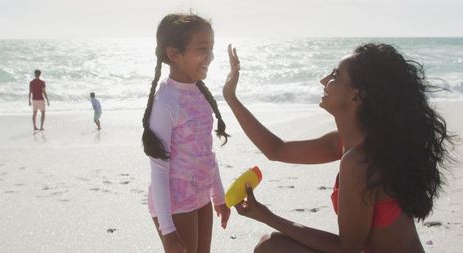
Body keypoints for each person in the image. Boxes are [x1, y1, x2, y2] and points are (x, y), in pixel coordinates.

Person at [222, 43, 454, 253]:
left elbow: (346, 249)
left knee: (270, 248)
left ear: (356, 96)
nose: (324, 81)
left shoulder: (360, 161)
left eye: (335, 75)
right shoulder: (345, 142)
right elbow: (276, 150)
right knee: (271, 246)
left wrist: (266, 215)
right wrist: (231, 98)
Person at [142, 13, 231, 253]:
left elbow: (206, 152)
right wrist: (167, 230)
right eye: (202, 49)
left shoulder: (199, 93)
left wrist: (219, 197)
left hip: (201, 195)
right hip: (175, 203)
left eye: (211, 48)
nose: (210, 57)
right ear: (174, 54)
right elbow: (159, 169)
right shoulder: (166, 101)